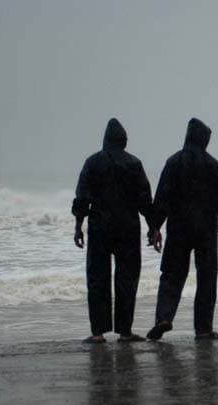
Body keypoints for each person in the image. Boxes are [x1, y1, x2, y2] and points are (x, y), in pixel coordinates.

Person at [147, 118, 218, 341]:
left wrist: (155, 227)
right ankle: (204, 329)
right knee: (207, 278)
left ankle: (164, 319)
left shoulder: (174, 162)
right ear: (205, 141)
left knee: (171, 275)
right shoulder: (213, 165)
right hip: (206, 230)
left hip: (179, 228)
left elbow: (162, 197)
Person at [73, 118, 155, 343]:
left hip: (99, 228)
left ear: (105, 140)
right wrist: (154, 228)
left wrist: (78, 225)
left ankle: (98, 333)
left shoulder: (92, 163)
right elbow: (145, 201)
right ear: (124, 142)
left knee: (97, 278)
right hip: (128, 228)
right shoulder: (134, 164)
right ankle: (125, 332)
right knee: (127, 279)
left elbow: (82, 197)